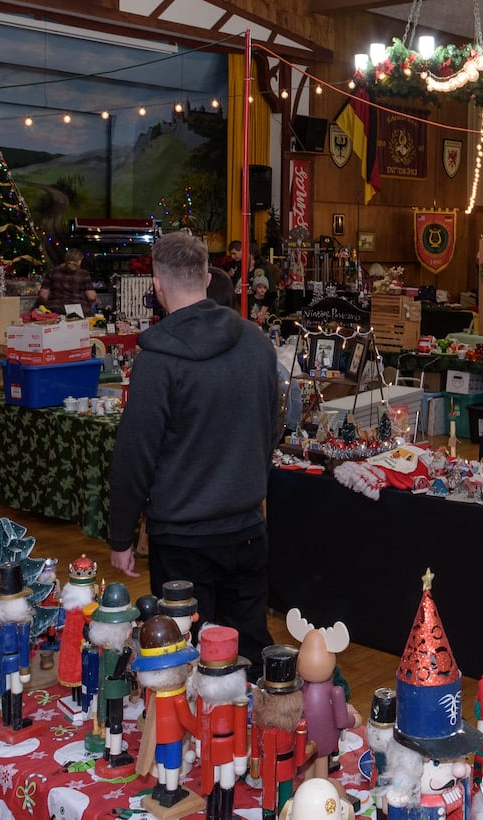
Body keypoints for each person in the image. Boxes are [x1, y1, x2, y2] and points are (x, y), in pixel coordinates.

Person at [107, 232, 280, 667]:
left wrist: (121, 534)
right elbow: (271, 428)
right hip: (246, 529)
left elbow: (135, 455)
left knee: (184, 661)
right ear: (206, 277)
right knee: (251, 657)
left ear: (158, 285)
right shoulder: (257, 345)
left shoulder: (158, 361)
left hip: (182, 537)